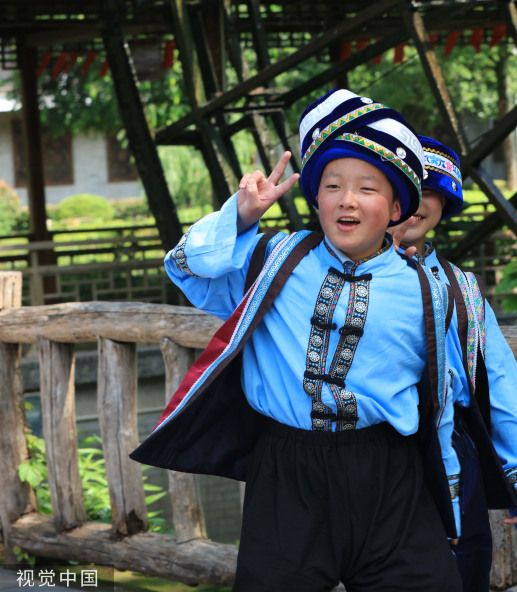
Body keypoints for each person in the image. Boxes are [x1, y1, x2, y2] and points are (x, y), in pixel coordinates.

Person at [131, 91, 463, 591]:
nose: (347, 199)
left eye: (367, 188)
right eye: (332, 186)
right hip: (288, 476)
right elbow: (185, 267)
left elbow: (439, 402)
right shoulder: (274, 259)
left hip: (390, 478)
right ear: (316, 199)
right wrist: (241, 217)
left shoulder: (426, 290)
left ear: (397, 208)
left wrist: (449, 498)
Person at [391, 135, 517, 591]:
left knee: (462, 571)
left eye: (428, 191)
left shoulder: (462, 288)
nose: (414, 202)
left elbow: (499, 378)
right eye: (403, 187)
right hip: (379, 453)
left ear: (445, 202)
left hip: (453, 457)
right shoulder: (344, 276)